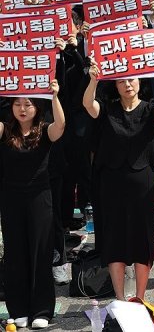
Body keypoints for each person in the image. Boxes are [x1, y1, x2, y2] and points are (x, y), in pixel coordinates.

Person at [82, 58, 154, 300]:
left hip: (143, 183)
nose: (127, 85)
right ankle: (120, 298)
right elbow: (88, 105)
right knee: (114, 240)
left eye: (131, 79)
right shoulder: (107, 107)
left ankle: (140, 297)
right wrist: (93, 80)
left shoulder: (150, 107)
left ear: (139, 81)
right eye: (121, 81)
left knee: (143, 240)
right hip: (111, 183)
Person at [0, 82, 65, 329]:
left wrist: (55, 96)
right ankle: (18, 309)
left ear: (37, 107)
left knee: (40, 252)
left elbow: (61, 126)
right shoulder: (5, 130)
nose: (23, 109)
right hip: (10, 196)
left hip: (40, 196)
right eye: (17, 104)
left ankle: (42, 310)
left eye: (28, 104)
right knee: (15, 253)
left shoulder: (45, 130)